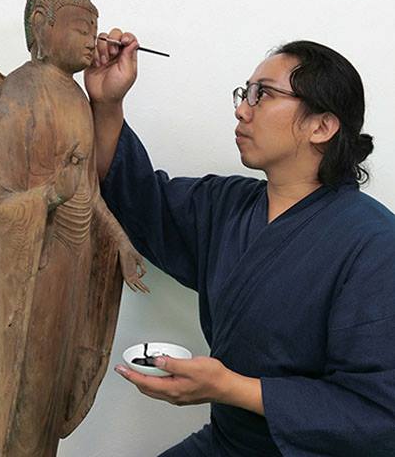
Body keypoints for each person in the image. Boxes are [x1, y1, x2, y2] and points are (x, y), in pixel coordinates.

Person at [85, 33, 395, 456]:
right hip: (227, 443)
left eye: (262, 94)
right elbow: (138, 199)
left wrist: (229, 387)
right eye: (244, 92)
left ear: (322, 126)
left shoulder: (373, 243)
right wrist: (107, 103)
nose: (241, 109)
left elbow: (376, 412)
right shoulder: (227, 205)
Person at [0, 0, 147, 457]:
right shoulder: (18, 92)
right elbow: (0, 199)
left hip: (74, 265)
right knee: (28, 391)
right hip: (35, 270)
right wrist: (50, 194)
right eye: (81, 28)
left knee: (54, 387)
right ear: (41, 24)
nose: (91, 40)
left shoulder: (79, 99)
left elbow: (88, 190)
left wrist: (120, 243)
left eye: (94, 29)